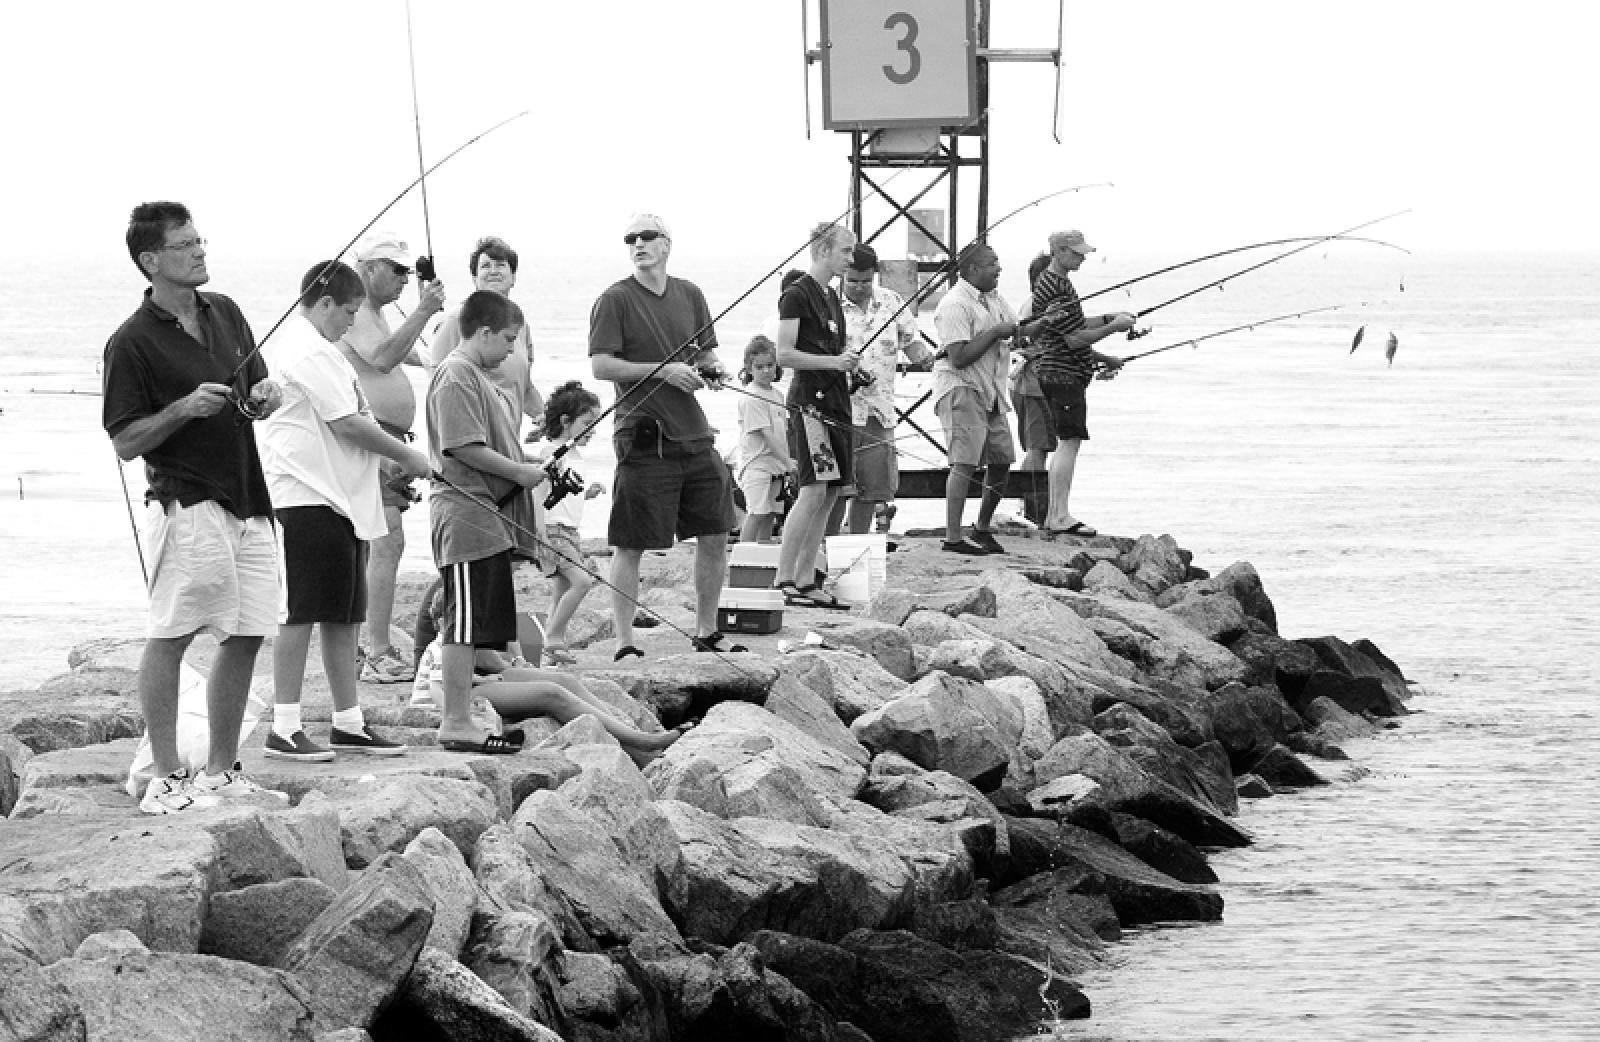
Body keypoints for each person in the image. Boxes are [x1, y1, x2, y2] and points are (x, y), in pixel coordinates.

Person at [101, 201, 286, 814]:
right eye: (185, 244)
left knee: (250, 629)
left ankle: (221, 771)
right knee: (173, 631)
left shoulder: (225, 312)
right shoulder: (131, 342)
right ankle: (164, 777)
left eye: (200, 239)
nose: (200, 250)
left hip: (247, 495)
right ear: (151, 259)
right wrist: (183, 408)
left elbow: (257, 391)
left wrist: (264, 395)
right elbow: (125, 441)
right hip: (185, 500)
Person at [258, 260, 434, 761]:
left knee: (342, 614)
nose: (351, 322)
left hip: (340, 499)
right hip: (304, 497)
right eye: (348, 311)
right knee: (299, 613)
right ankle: (284, 726)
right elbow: (348, 424)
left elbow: (353, 422)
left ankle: (348, 722)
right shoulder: (304, 348)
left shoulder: (327, 350)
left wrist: (383, 463)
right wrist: (406, 457)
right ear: (325, 302)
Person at [589, 213, 742, 659]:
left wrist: (711, 371)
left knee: (716, 531)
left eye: (646, 236)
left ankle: (707, 630)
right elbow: (602, 366)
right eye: (630, 238)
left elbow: (707, 350)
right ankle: (624, 641)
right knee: (630, 542)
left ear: (666, 244)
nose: (637, 243)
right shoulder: (614, 300)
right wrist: (664, 371)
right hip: (643, 435)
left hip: (694, 435)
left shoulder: (690, 294)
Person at [426, 289, 549, 753]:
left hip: (484, 517)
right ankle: (455, 721)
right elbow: (462, 447)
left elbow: (488, 445)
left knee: (479, 627)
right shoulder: (457, 374)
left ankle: (474, 713)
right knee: (462, 625)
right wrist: (520, 472)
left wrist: (527, 459)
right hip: (465, 515)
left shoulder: (473, 375)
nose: (512, 350)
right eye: (508, 339)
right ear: (482, 332)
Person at [338, 231, 446, 684]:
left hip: (388, 439)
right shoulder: (360, 311)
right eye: (396, 269)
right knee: (385, 540)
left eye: (407, 270)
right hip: (373, 439)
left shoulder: (378, 314)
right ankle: (375, 650)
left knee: (379, 541)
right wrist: (423, 310)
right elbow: (381, 359)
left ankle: (366, 645)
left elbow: (410, 355)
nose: (404, 278)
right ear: (368, 268)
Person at [773, 222, 861, 608]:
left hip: (837, 403)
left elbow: (828, 352)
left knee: (830, 492)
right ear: (823, 250)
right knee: (811, 490)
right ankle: (784, 577)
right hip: (810, 405)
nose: (850, 259)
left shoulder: (831, 297)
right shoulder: (796, 295)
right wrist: (834, 361)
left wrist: (848, 368)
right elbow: (784, 354)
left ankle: (808, 579)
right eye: (844, 251)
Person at [1030, 229, 1136, 536]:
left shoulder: (1058, 283)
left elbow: (1076, 324)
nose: (1082, 257)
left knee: (1069, 440)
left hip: (1061, 371)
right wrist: (1115, 327)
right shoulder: (1055, 287)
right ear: (1059, 252)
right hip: (1061, 371)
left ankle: (1057, 513)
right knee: (1069, 441)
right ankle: (1058, 515)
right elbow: (1074, 339)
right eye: (1076, 253)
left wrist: (1107, 318)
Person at [930, 241, 1020, 555]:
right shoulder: (954, 304)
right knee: (964, 463)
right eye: (992, 263)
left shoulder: (994, 299)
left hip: (991, 391)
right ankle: (953, 538)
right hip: (961, 387)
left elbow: (1016, 331)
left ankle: (981, 529)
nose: (999, 268)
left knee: (1002, 459)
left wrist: (1047, 322)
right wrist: (995, 333)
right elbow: (959, 357)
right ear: (972, 269)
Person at [836, 243, 931, 534]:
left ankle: (857, 544)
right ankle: (826, 547)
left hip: (880, 411)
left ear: (874, 275)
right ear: (842, 275)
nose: (859, 287)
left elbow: (910, 340)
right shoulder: (828, 305)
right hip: (840, 411)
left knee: (872, 489)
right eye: (852, 281)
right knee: (836, 489)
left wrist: (922, 356)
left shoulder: (892, 302)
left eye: (865, 281)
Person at [429, 235, 543, 431]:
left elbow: (524, 387)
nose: (493, 271)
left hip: (508, 443)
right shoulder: (457, 319)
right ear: (474, 277)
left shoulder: (520, 325)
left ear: (513, 277)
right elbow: (439, 383)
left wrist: (543, 416)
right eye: (485, 266)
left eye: (500, 265)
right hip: (473, 440)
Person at [528, 380, 606, 665]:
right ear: (565, 421)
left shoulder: (574, 456)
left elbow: (562, 496)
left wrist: (587, 494)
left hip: (570, 531)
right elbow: (538, 495)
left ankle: (549, 652)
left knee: (562, 590)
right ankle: (554, 639)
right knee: (583, 582)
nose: (592, 431)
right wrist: (540, 537)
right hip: (552, 531)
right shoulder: (551, 453)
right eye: (587, 423)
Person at [1010, 252, 1057, 525]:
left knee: (1041, 448)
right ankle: (1034, 510)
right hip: (1031, 387)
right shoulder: (1032, 310)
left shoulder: (1043, 308)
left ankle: (1033, 507)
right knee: (1037, 449)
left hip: (1040, 387)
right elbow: (1019, 343)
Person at [735, 335, 793, 543]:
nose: (766, 370)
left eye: (770, 365)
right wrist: (788, 461)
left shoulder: (778, 395)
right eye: (759, 367)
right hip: (756, 465)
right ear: (749, 369)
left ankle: (763, 550)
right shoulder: (751, 397)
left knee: (770, 513)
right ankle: (744, 552)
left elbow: (783, 432)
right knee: (757, 512)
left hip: (775, 466)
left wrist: (786, 461)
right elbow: (766, 434)